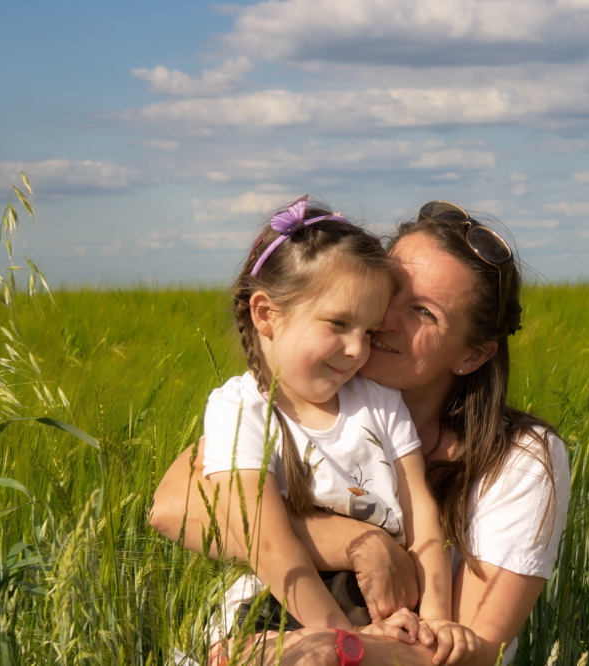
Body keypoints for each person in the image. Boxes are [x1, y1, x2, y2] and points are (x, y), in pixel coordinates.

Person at [150, 201, 571, 666]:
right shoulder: (277, 401)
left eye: (423, 313)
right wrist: (362, 545)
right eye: (387, 291)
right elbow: (173, 508)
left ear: (471, 356)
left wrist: (337, 646)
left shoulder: (519, 457)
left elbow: (474, 647)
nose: (382, 321)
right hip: (259, 631)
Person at [195, 196, 469, 660]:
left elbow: (422, 516)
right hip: (278, 609)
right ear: (266, 314)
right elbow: (267, 542)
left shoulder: (380, 403)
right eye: (338, 324)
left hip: (385, 613)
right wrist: (343, 639)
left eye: (367, 331)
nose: (355, 350)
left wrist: (436, 618)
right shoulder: (240, 410)